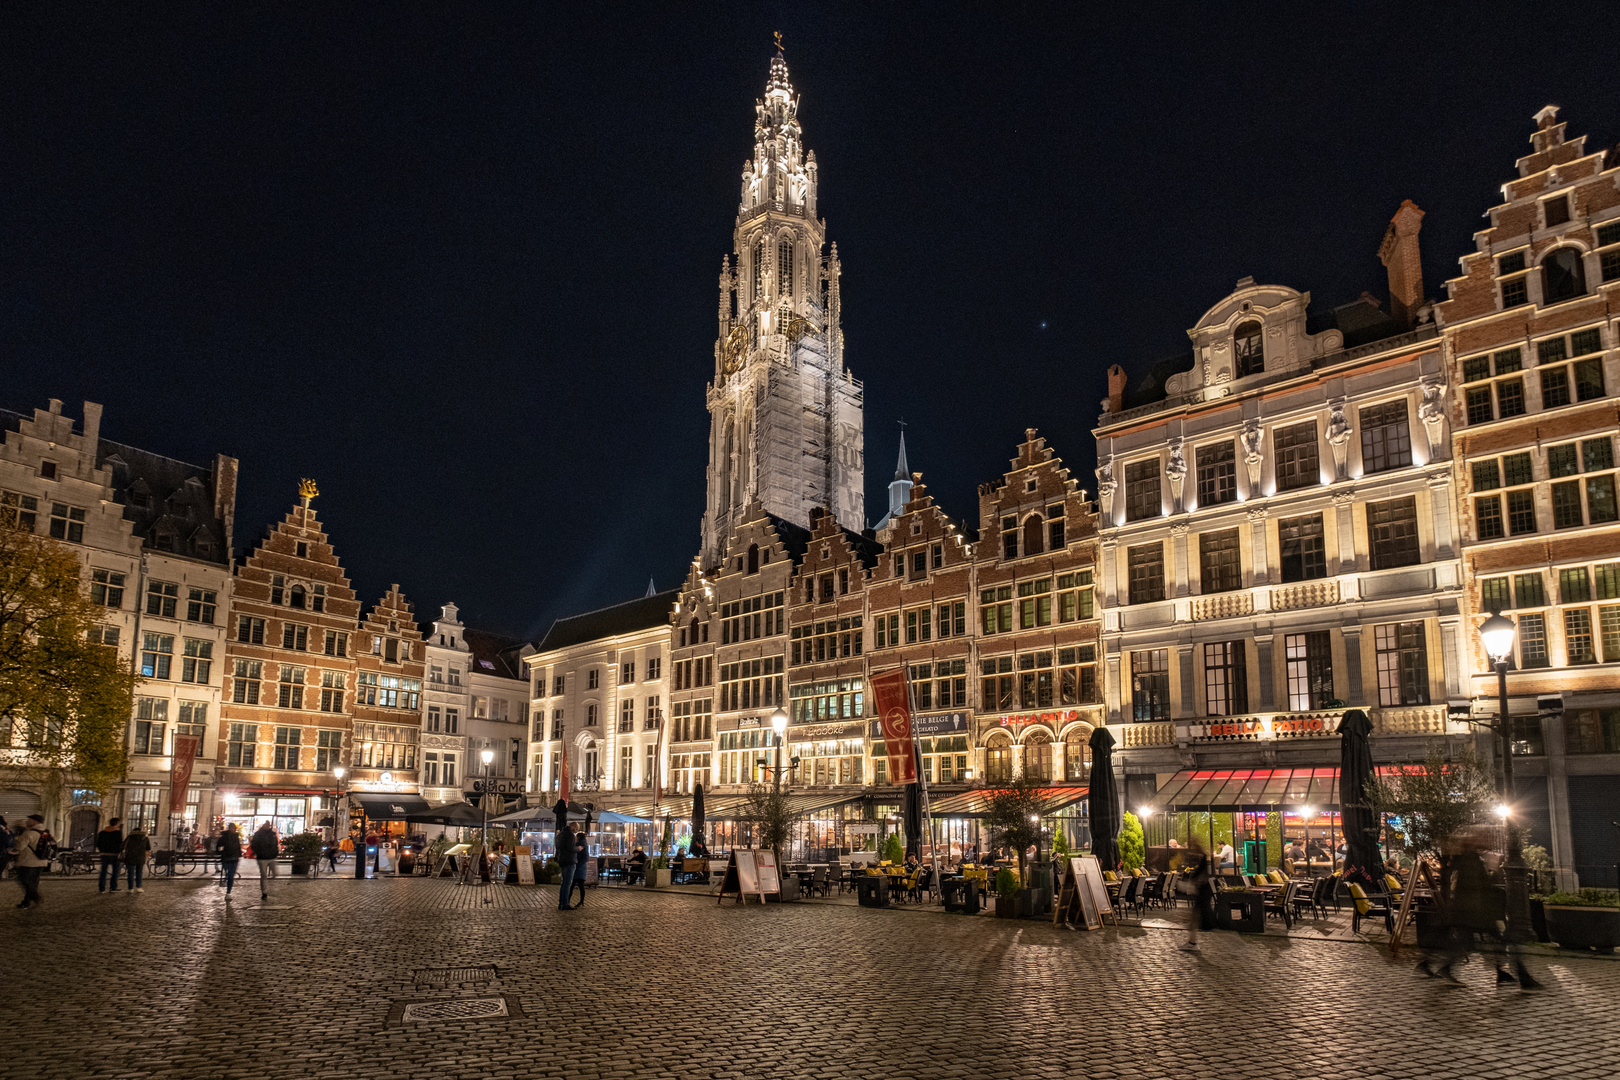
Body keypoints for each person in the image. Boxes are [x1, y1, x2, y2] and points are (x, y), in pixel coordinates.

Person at [1179, 837, 1214, 952]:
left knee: (1203, 919)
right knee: (1196, 918)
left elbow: (1200, 876)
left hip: (1202, 892)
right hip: (1203, 891)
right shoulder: (1203, 858)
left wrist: (1191, 881)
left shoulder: (1202, 859)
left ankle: (1192, 942)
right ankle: (1192, 942)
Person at [12, 814, 50, 908]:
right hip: (42, 861)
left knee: (23, 880)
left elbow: (19, 847)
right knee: (33, 882)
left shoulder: (29, 833)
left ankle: (36, 897)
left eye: (29, 820)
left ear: (34, 821)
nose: (27, 822)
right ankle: (26, 902)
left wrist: (17, 840)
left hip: (29, 862)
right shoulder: (46, 832)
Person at [250, 822, 280, 899]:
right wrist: (258, 851)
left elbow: (275, 844)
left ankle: (266, 889)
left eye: (268, 825)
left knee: (275, 873)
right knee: (264, 875)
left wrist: (275, 852)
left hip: (271, 857)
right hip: (262, 857)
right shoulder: (258, 834)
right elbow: (253, 845)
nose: (267, 826)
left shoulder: (272, 834)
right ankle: (264, 892)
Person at [96, 816, 124, 894]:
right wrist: (119, 851)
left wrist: (102, 850)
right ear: (117, 824)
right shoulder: (118, 833)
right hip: (114, 855)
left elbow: (98, 843)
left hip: (104, 854)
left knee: (103, 871)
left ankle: (102, 888)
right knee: (115, 871)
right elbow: (120, 844)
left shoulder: (102, 832)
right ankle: (113, 887)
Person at [556, 819, 577, 910]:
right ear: (573, 827)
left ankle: (561, 902)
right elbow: (570, 848)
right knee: (567, 883)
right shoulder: (570, 835)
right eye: (576, 829)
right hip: (569, 860)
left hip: (562, 860)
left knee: (564, 883)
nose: (576, 831)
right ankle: (565, 904)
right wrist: (578, 848)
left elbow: (558, 847)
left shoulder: (560, 834)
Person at [122, 824, 150, 893]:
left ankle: (130, 888)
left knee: (130, 873)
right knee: (139, 873)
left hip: (130, 857)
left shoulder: (129, 838)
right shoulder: (145, 838)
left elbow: (122, 846)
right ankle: (139, 887)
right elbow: (148, 848)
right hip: (140, 857)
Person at [219, 823, 242, 899]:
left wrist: (221, 852)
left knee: (229, 874)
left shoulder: (224, 836)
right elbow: (238, 847)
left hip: (228, 858)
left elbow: (218, 847)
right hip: (232, 858)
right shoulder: (235, 837)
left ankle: (228, 891)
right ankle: (228, 892)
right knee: (231, 875)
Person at [572, 826, 590, 908]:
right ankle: (581, 901)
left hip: (578, 867)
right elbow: (586, 857)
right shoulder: (585, 845)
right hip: (581, 867)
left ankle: (567, 900)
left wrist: (576, 862)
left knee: (573, 884)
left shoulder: (579, 845)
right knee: (580, 885)